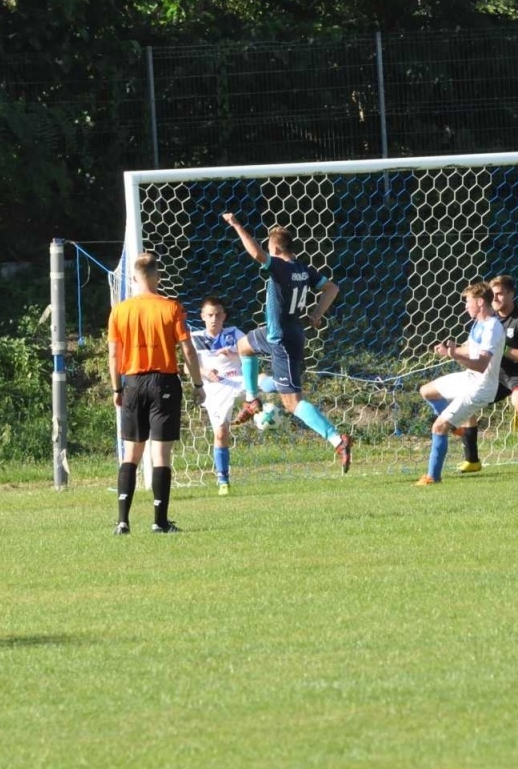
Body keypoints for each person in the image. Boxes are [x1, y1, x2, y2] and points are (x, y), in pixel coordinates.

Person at [220, 214, 352, 472]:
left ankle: (338, 440)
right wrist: (317, 314)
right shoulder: (303, 269)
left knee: (292, 403)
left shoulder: (280, 266)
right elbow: (332, 288)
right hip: (277, 332)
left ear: (277, 249)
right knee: (244, 346)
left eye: (270, 248)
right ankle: (252, 399)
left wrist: (237, 225)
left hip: (283, 341)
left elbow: (256, 253)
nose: (269, 253)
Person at [107, 252, 201, 534]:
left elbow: (114, 355)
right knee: (160, 455)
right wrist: (198, 384)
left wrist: (117, 388)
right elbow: (187, 349)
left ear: (134, 278)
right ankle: (159, 522)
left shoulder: (120, 311)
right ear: (157, 277)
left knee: (131, 453)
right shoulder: (171, 307)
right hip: (164, 383)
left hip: (132, 382)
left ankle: (123, 521)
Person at [455, 275, 518, 473]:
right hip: (498, 374)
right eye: (493, 294)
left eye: (500, 294)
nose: (495, 298)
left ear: (511, 294)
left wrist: (503, 349)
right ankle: (472, 459)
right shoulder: (488, 320)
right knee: (468, 400)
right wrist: (453, 351)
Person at [416, 282, 507, 485]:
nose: (465, 306)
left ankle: (432, 477)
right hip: (469, 378)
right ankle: (455, 427)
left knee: (438, 426)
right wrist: (451, 351)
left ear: (480, 302)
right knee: (427, 391)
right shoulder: (478, 324)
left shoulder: (492, 327)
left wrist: (454, 355)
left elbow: (482, 365)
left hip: (481, 387)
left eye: (468, 302)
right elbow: (471, 350)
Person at [191, 296, 245, 494]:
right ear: (203, 316)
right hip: (215, 388)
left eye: (218, 315)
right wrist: (205, 373)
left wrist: (233, 354)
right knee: (221, 433)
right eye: (210, 315)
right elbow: (188, 367)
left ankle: (263, 405)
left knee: (263, 380)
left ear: (224, 316)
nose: (214, 319)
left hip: (237, 380)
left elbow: (252, 354)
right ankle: (223, 480)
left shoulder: (234, 333)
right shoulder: (195, 337)